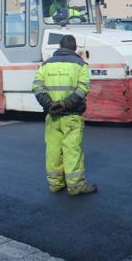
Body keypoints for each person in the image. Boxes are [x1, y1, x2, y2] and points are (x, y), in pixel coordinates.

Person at [32, 35, 97, 196]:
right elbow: (83, 89)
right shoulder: (80, 65)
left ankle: (55, 184)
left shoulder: (46, 65)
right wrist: (65, 104)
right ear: (75, 48)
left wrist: (49, 104)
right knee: (72, 150)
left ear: (60, 46)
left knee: (53, 149)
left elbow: (37, 87)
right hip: (72, 116)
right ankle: (75, 186)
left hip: (52, 116)